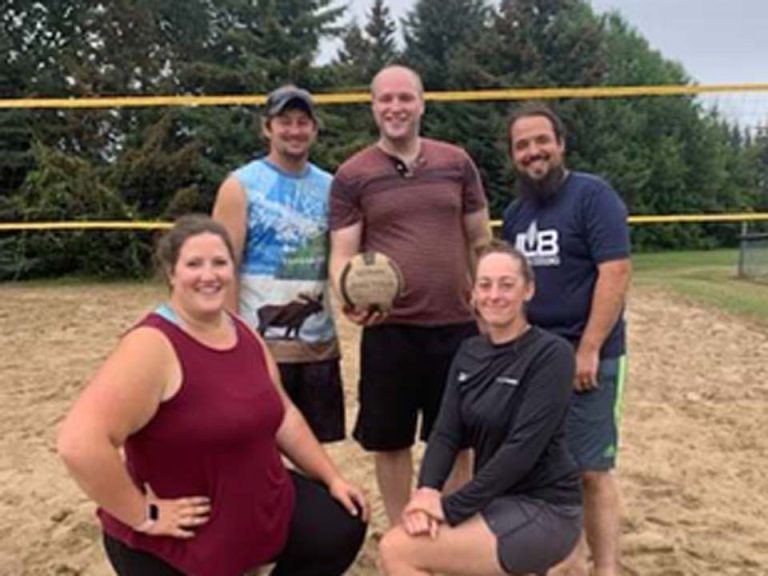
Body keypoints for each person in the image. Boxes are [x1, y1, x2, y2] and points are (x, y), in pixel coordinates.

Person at [57, 215, 368, 576]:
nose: (209, 275)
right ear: (172, 273)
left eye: (220, 263)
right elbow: (78, 444)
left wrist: (332, 477)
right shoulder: (152, 345)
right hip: (185, 530)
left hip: (260, 506)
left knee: (343, 519)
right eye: (194, 264)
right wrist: (143, 514)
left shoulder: (243, 331)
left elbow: (283, 414)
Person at [329, 65, 492, 524]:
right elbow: (342, 253)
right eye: (386, 99)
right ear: (373, 106)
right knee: (391, 438)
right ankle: (404, 529)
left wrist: (488, 301)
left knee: (459, 438)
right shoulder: (353, 174)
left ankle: (452, 523)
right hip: (390, 328)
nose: (395, 107)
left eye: (405, 98)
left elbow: (480, 240)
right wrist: (348, 296)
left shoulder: (456, 162)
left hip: (457, 325)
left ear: (422, 103)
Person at [378, 242, 582, 576]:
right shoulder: (469, 352)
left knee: (396, 549)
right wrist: (427, 492)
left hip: (546, 507)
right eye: (485, 285)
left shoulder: (551, 355)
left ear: (528, 290)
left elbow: (522, 450)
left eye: (507, 284)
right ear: (473, 292)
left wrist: (448, 508)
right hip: (496, 501)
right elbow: (446, 432)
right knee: (409, 540)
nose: (494, 295)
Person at [502, 103, 631, 576]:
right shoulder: (516, 214)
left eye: (541, 141)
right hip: (538, 359)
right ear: (513, 156)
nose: (533, 152)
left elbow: (615, 272)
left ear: (560, 144)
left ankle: (607, 568)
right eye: (522, 145)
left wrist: (590, 347)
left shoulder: (592, 195)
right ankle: (567, 560)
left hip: (589, 354)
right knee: (549, 467)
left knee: (592, 470)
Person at [212, 85, 344, 443]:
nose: (294, 130)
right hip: (260, 347)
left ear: (315, 129)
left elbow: (341, 259)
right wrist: (231, 341)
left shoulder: (331, 187)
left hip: (317, 343)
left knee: (314, 451)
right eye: (285, 121)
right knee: (259, 445)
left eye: (303, 122)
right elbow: (222, 270)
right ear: (266, 127)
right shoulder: (241, 186)